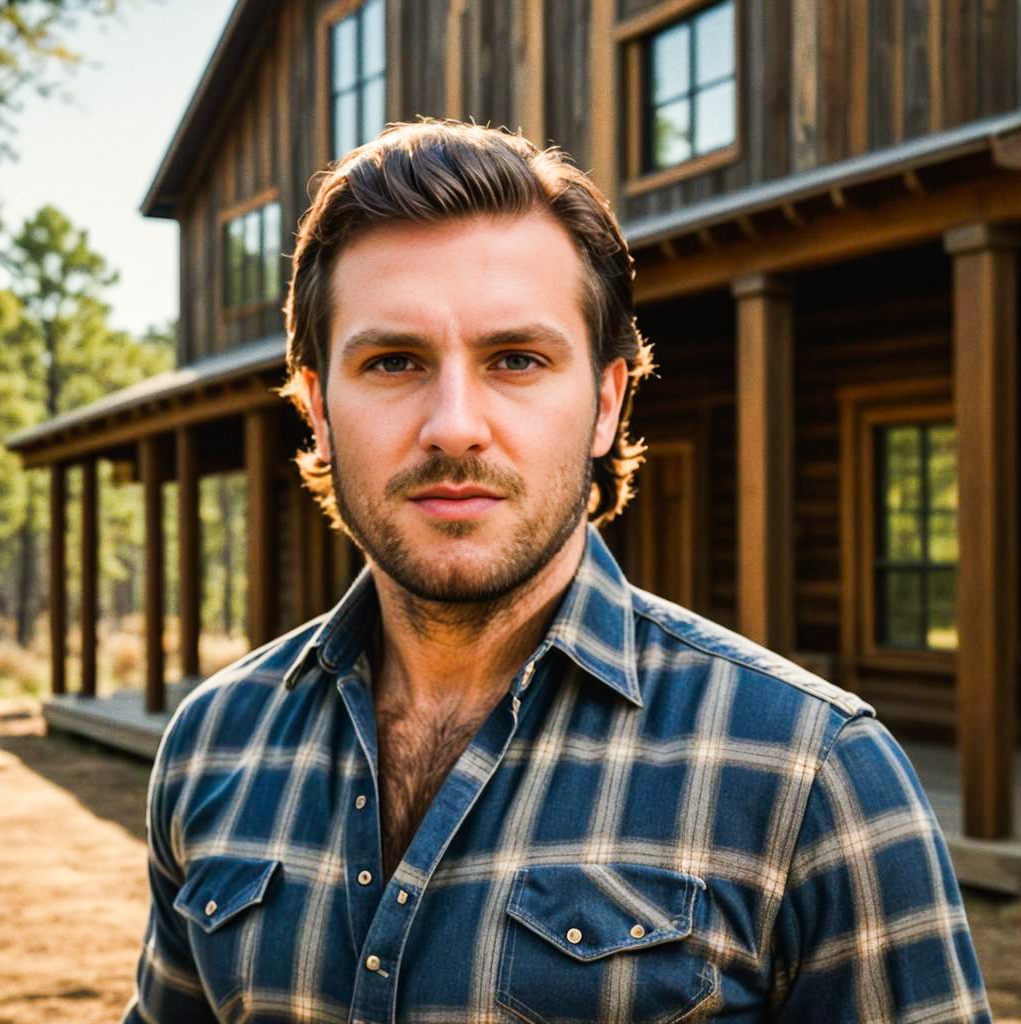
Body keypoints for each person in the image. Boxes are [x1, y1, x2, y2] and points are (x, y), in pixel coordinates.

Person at [123, 120, 990, 1023]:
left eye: (516, 360)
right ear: (317, 411)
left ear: (607, 402)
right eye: (392, 361)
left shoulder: (815, 777)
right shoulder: (212, 745)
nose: (454, 424)